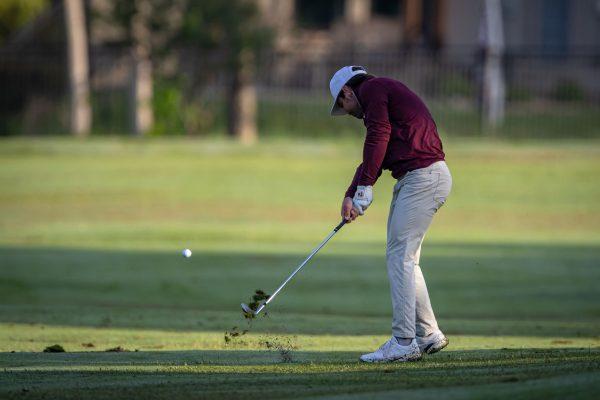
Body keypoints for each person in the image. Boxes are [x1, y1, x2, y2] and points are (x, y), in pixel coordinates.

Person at [329, 66, 452, 363]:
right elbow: (376, 151)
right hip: (419, 178)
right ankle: (428, 334)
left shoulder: (372, 91)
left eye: (342, 106)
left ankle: (403, 341)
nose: (348, 113)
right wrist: (352, 192)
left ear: (347, 91)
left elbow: (378, 137)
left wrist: (365, 187)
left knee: (400, 258)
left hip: (423, 178)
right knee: (405, 258)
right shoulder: (379, 93)